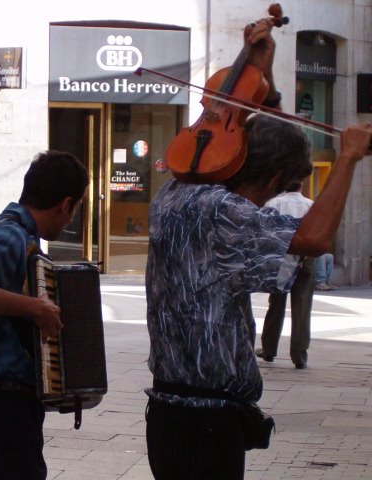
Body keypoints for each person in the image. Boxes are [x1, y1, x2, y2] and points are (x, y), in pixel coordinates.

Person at [144, 16, 372, 480]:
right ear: (272, 178)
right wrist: (346, 158)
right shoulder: (219, 212)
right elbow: (312, 238)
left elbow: (220, 118)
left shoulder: (173, 193)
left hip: (170, 410)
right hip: (204, 421)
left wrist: (255, 65)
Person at [0, 151, 89, 480]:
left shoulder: (22, 235)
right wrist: (34, 307)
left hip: (8, 403)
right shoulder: (10, 235)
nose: (70, 219)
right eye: (74, 210)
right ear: (65, 205)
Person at [256, 182, 315, 369]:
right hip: (305, 258)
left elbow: (263, 233)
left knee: (276, 304)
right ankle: (299, 356)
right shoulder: (311, 205)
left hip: (280, 258)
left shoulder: (273, 204)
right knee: (302, 306)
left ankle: (269, 349)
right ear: (301, 186)